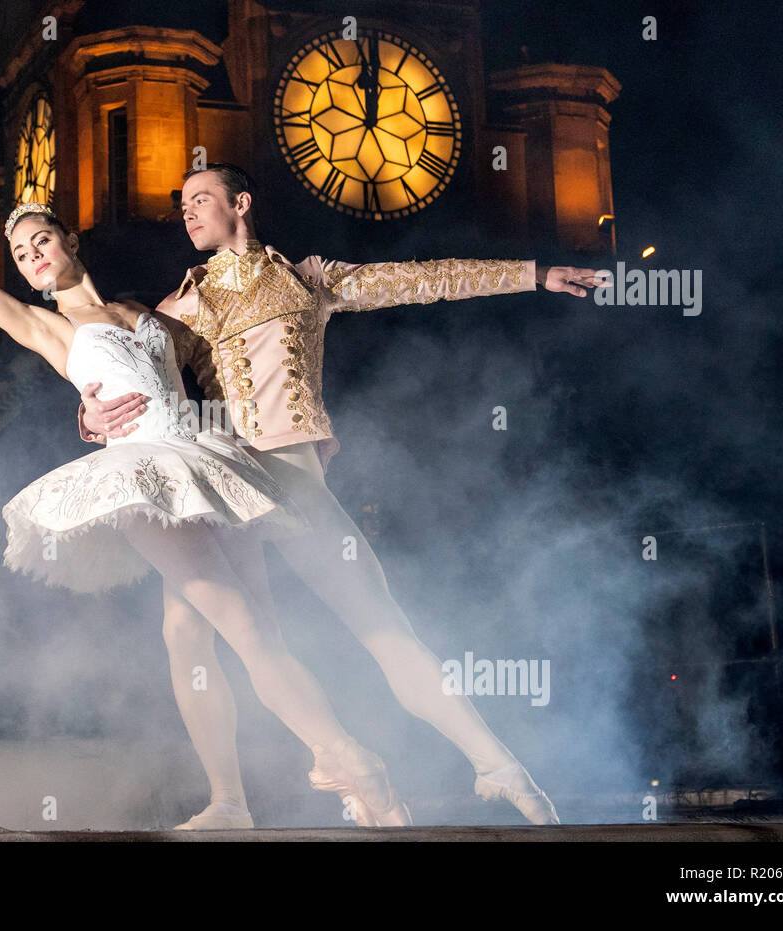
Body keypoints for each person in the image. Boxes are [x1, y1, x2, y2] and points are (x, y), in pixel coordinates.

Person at [0, 196, 413, 828]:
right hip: (141, 478)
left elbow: (228, 367)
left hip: (207, 465)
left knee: (190, 635)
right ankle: (344, 755)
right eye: (19, 254)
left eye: (41, 241)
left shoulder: (141, 311)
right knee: (239, 624)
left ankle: (235, 801)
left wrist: (298, 425)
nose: (31, 257)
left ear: (69, 240)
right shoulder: (51, 328)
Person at [78, 164, 605, 827]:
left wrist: (532, 273)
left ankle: (496, 763)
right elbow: (126, 378)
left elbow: (419, 280)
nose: (186, 212)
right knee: (188, 632)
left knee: (383, 630)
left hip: (295, 488)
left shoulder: (308, 280)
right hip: (225, 494)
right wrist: (92, 416)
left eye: (200, 200)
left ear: (241, 202)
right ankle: (235, 800)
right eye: (181, 205)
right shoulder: (180, 307)